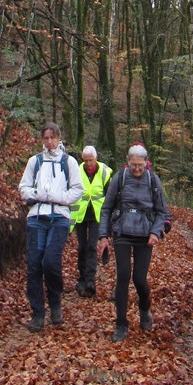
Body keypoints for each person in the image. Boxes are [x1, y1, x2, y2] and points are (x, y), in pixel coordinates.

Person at [97, 143, 169, 342]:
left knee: (139, 278)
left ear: (146, 163)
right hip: (122, 231)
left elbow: (162, 212)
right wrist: (103, 236)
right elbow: (106, 208)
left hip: (145, 234)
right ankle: (121, 324)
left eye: (140, 165)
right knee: (122, 276)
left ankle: (145, 308)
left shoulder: (153, 180)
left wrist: (155, 232)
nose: (137, 169)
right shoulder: (119, 178)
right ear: (127, 162)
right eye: (133, 165)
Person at [19, 121, 82, 331]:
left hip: (60, 218)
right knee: (34, 266)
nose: (49, 142)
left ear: (58, 138)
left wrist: (58, 197)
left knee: (51, 263)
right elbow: (23, 187)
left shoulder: (69, 162)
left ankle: (55, 304)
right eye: (45, 138)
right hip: (36, 217)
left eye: (52, 138)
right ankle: (37, 313)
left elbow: (77, 190)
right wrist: (36, 195)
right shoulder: (34, 161)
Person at [70, 145, 112, 298]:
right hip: (80, 214)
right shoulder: (76, 171)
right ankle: (82, 277)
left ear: (96, 158)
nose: (88, 163)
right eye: (86, 160)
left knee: (91, 246)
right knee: (82, 247)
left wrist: (109, 219)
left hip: (97, 214)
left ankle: (90, 280)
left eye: (91, 160)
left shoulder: (105, 172)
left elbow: (110, 195)